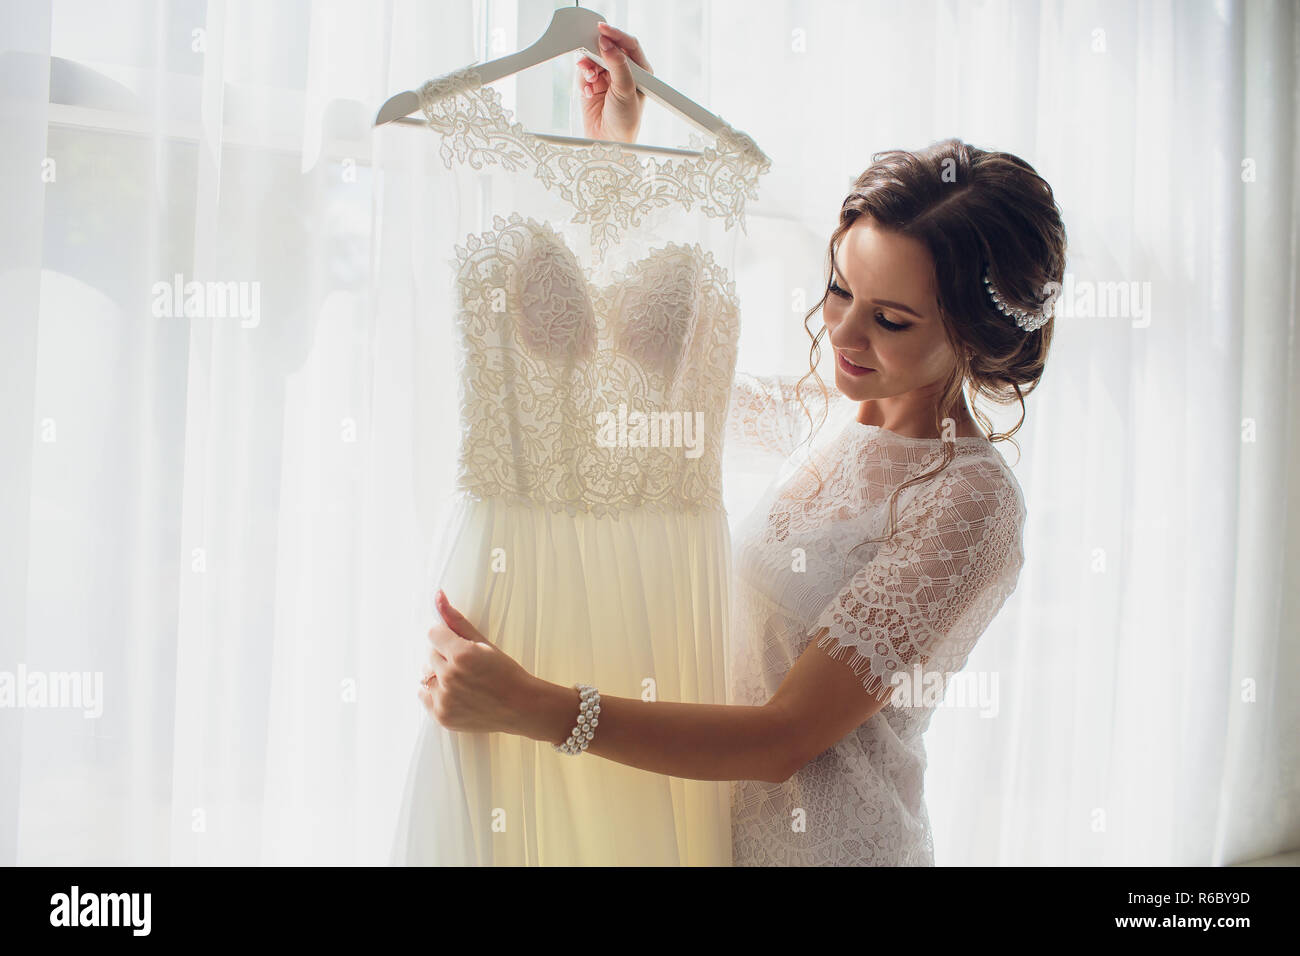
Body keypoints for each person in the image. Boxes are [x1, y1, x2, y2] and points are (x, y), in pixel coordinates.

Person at [417, 21, 1066, 865]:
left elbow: (782, 738)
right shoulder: (820, 411)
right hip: (697, 838)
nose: (843, 330)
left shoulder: (969, 505)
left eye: (891, 319)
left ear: (974, 339)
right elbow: (628, 382)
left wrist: (536, 708)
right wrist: (619, 151)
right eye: (839, 288)